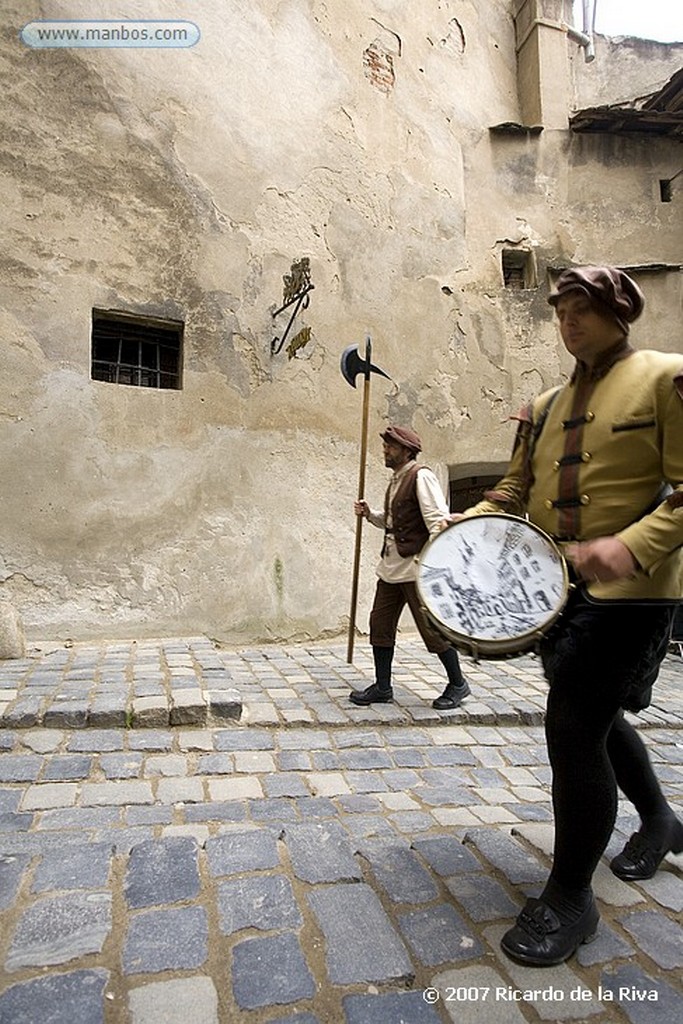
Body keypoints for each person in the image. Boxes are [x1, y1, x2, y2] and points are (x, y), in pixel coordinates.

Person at [458, 266, 683, 966]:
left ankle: (568, 897)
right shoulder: (546, 403)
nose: (567, 323)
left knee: (572, 724)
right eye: (558, 312)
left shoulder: (665, 378)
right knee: (598, 716)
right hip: (555, 590)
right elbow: (513, 487)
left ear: (618, 311)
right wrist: (468, 524)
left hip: (636, 590)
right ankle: (660, 821)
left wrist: (628, 544)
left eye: (580, 309)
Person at [349, 425, 470, 710]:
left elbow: (437, 521)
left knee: (432, 630)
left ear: (406, 450)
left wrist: (438, 564)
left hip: (416, 568)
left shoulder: (421, 477)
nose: (385, 450)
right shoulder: (395, 480)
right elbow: (393, 522)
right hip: (390, 567)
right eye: (385, 445)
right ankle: (382, 686)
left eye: (390, 446)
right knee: (379, 624)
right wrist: (370, 515)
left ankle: (458, 684)